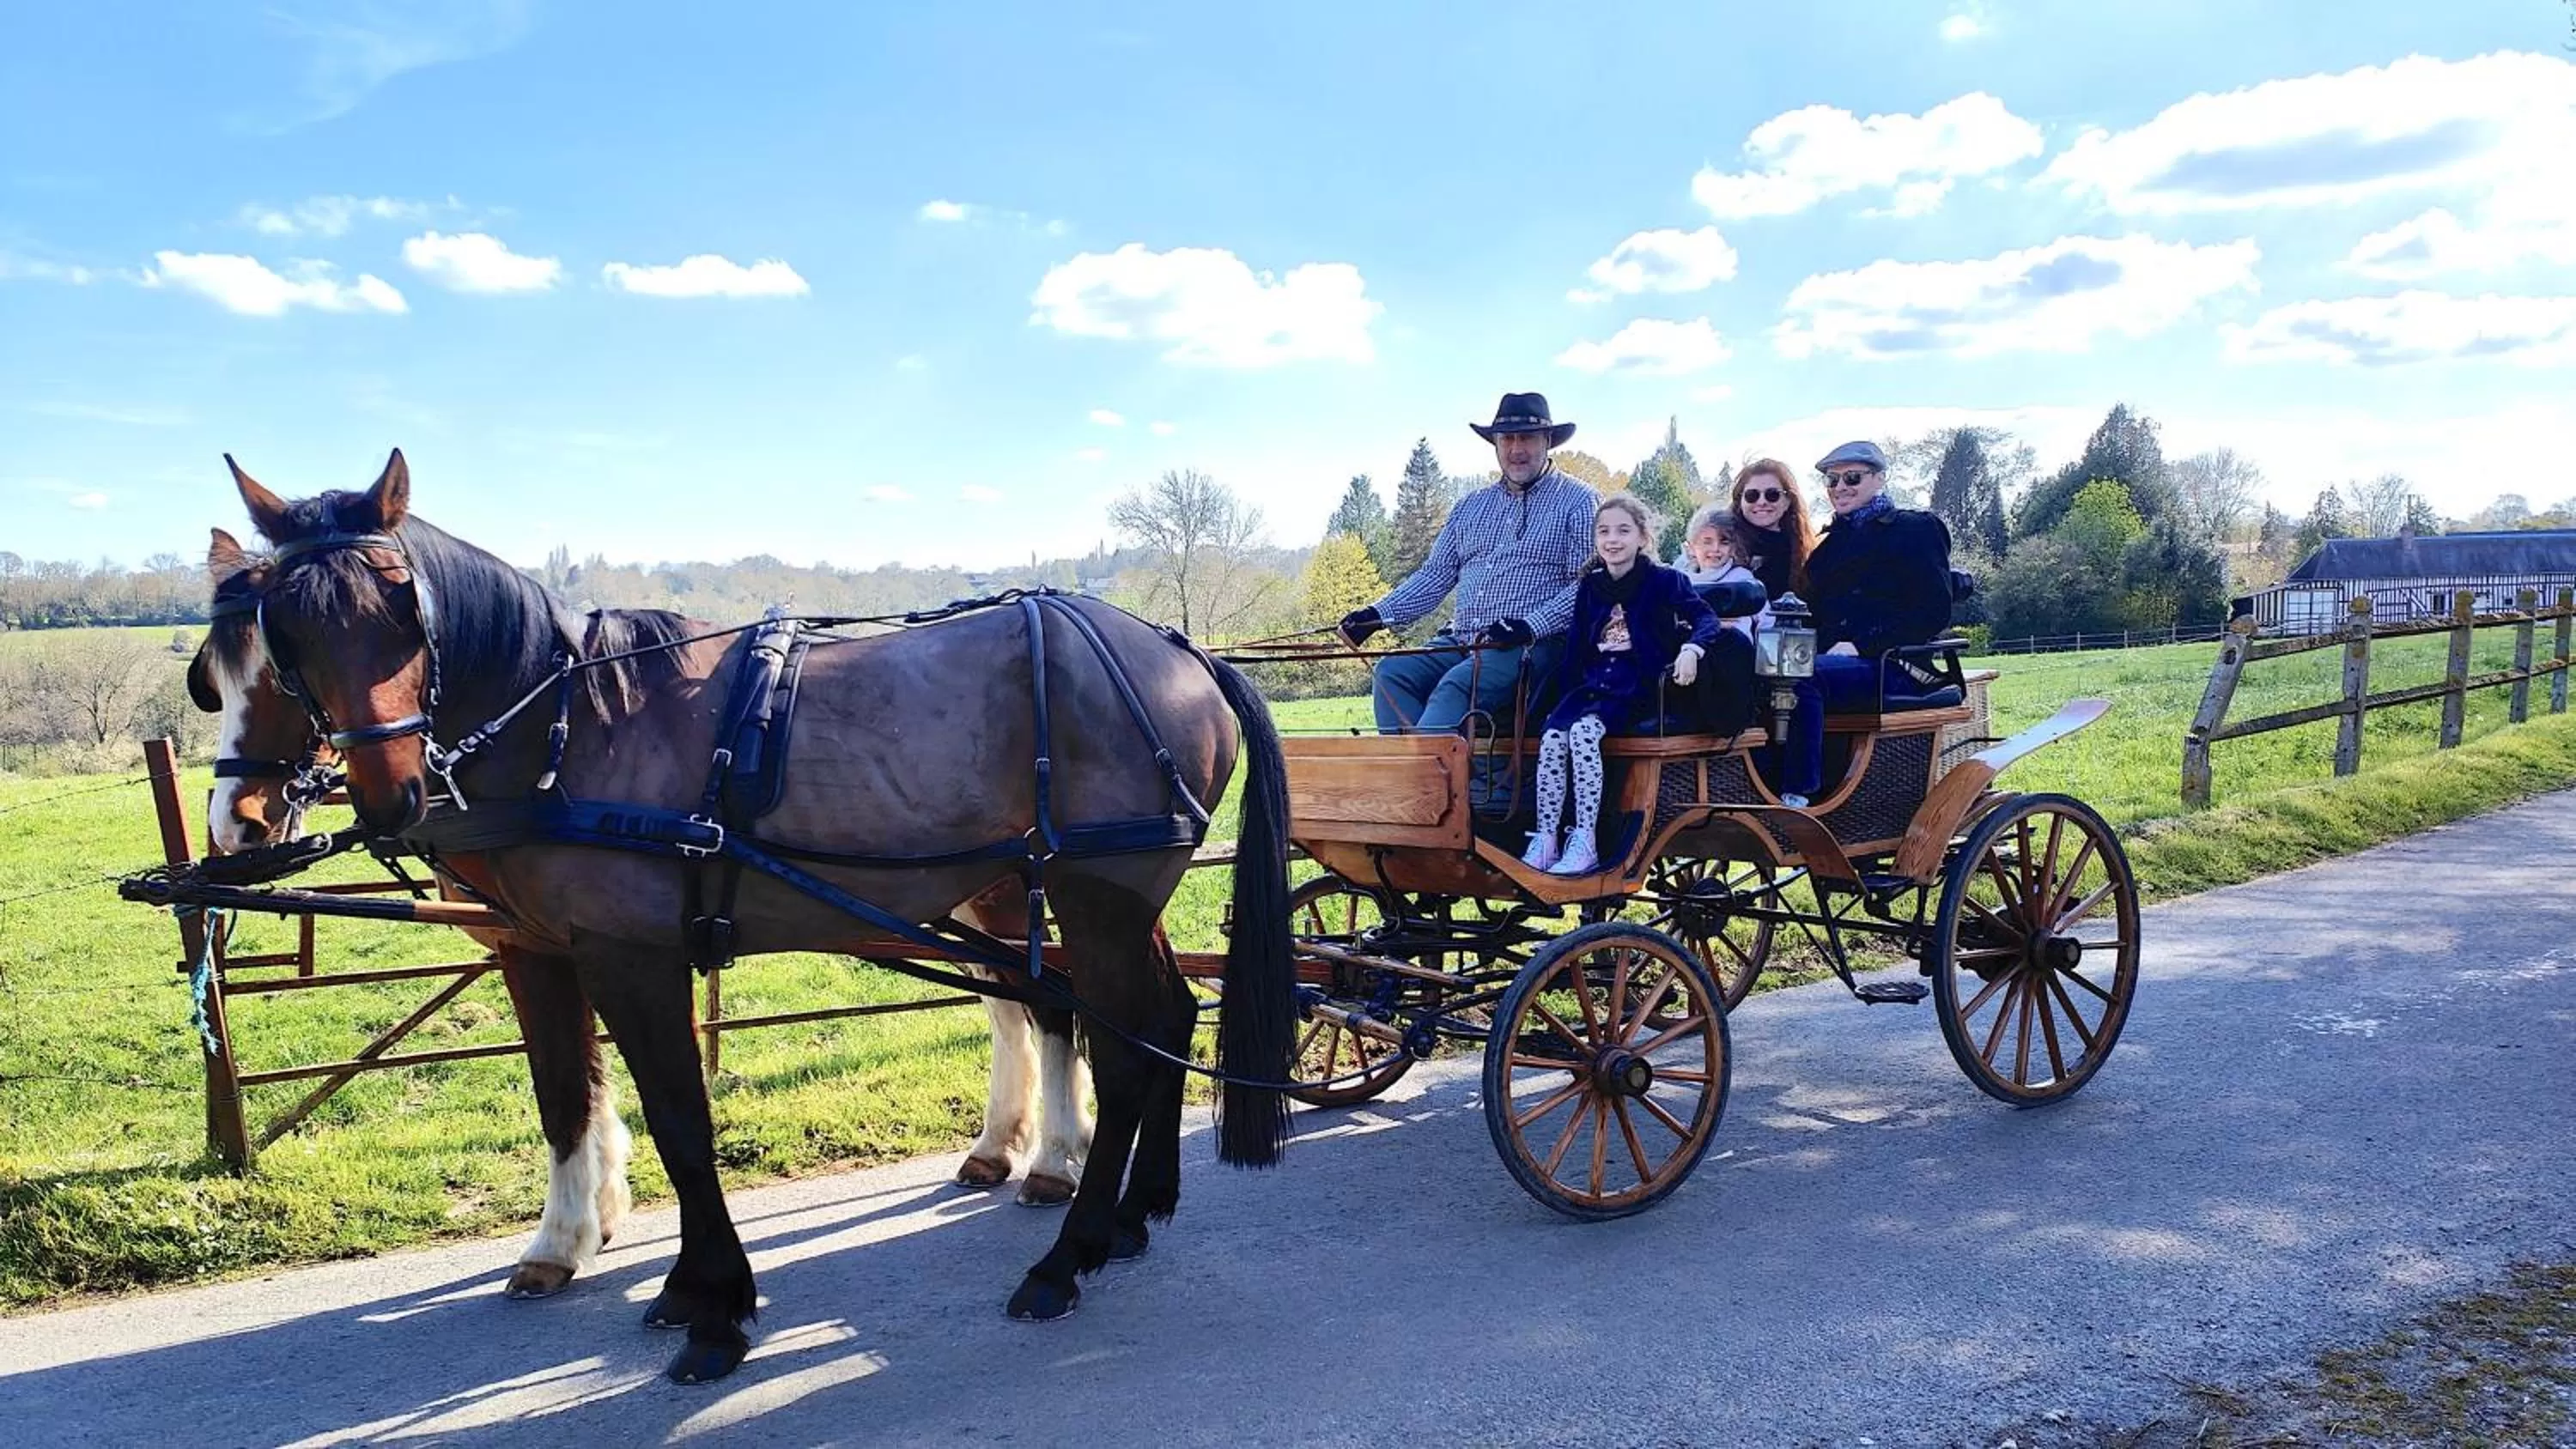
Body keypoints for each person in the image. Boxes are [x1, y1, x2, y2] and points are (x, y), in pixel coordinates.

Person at [1338, 393, 1597, 751]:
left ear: (1547, 441)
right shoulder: (1470, 506)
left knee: (1457, 687)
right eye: (1507, 439)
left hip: (1532, 646)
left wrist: (1529, 625)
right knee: (1391, 673)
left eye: (1526, 438)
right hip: (1462, 639)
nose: (1516, 449)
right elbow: (1434, 576)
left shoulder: (1579, 500)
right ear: (1495, 444)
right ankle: (1426, 776)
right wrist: (1377, 615)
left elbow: (1588, 586)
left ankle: (1423, 780)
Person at [1521, 495, 1721, 876]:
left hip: (1638, 685)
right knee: (1552, 737)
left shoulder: (1665, 580)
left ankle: (1586, 839)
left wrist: (1692, 649)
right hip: (1594, 683)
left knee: (1583, 734)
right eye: (1604, 532)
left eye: (1623, 531)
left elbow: (1705, 619)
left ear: (1642, 537)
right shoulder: (1591, 585)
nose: (1612, 540)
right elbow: (1577, 648)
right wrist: (1561, 698)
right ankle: (1546, 838)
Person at [1773, 440, 1954, 808]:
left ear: (1879, 479)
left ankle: (1798, 795)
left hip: (1893, 666)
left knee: (1802, 678)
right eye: (1832, 480)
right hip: (1836, 666)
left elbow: (1933, 609)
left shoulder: (1914, 529)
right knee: (1766, 673)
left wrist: (1862, 645)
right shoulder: (1827, 549)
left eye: (1852, 478)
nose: (1840, 487)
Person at [1728, 458, 1815, 603]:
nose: (1762, 502)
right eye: (1752, 495)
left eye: (1772, 495)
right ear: (1740, 501)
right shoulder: (1719, 547)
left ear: (1788, 501)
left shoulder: (1806, 556)